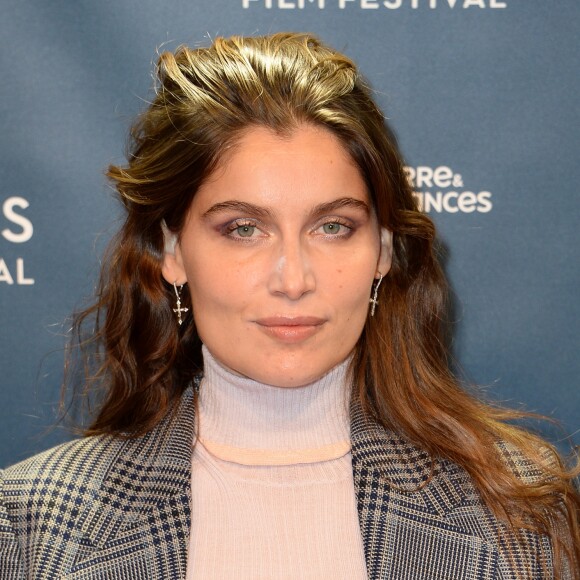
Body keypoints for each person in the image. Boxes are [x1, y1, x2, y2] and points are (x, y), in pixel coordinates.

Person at [0, 32, 578, 580]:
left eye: (333, 226)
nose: (294, 279)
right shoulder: (28, 526)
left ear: (382, 250)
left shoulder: (522, 508)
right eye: (244, 228)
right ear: (172, 250)